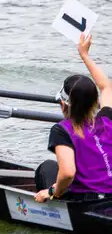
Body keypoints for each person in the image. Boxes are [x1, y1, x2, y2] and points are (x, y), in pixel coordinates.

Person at [34, 33, 112, 202]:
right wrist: (85, 56)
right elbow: (106, 86)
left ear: (63, 104)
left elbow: (68, 173)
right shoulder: (107, 120)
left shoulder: (62, 130)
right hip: (108, 198)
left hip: (87, 204)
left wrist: (52, 192)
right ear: (95, 102)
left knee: (46, 168)